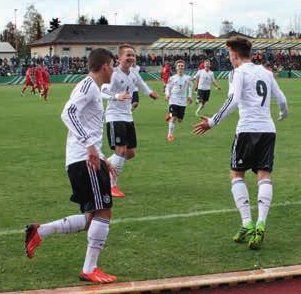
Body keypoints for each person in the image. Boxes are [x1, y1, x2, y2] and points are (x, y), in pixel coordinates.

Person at [25, 48, 122, 284]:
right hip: (83, 160)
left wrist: (101, 157)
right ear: (105, 65)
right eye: (113, 64)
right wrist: (90, 148)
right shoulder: (88, 85)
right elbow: (67, 113)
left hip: (86, 159)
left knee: (92, 216)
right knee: (103, 211)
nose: (115, 69)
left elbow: (88, 127)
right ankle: (90, 268)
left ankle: (39, 231)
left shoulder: (93, 88)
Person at [193, 36, 289, 250]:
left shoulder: (238, 73)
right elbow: (282, 99)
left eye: (229, 54)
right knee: (264, 176)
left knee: (237, 174)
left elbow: (233, 100)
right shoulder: (266, 72)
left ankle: (247, 223)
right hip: (268, 130)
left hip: (247, 129)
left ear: (234, 54)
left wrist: (212, 121)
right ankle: (261, 222)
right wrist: (283, 113)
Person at [102, 44, 159, 198]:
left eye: (133, 55)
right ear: (119, 58)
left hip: (128, 116)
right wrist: (116, 96)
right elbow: (103, 91)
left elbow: (141, 84)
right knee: (120, 150)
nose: (131, 58)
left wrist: (150, 93)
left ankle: (103, 165)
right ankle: (111, 185)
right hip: (114, 116)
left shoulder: (133, 73)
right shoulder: (113, 73)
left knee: (130, 153)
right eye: (127, 55)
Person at [164, 60, 193, 142]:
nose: (180, 67)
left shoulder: (187, 78)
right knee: (173, 118)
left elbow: (191, 86)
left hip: (183, 101)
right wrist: (167, 95)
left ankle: (169, 114)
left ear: (184, 67)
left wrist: (190, 96)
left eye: (182, 66)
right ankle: (170, 135)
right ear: (176, 68)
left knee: (179, 120)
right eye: (179, 66)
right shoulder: (172, 78)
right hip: (173, 99)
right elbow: (168, 87)